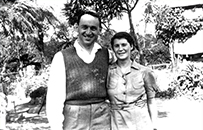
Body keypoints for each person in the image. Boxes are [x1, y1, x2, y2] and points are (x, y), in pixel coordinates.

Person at [46, 10, 113, 130]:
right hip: (74, 117)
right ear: (77, 28)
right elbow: (54, 98)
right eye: (84, 27)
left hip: (102, 117)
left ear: (99, 30)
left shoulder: (107, 54)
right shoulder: (62, 57)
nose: (88, 32)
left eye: (93, 28)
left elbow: (125, 65)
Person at [107, 32, 159, 130]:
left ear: (131, 46)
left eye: (124, 45)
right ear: (113, 49)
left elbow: (151, 101)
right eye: (117, 46)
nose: (120, 49)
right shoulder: (108, 72)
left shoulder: (145, 72)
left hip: (140, 122)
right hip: (116, 123)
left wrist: (154, 126)